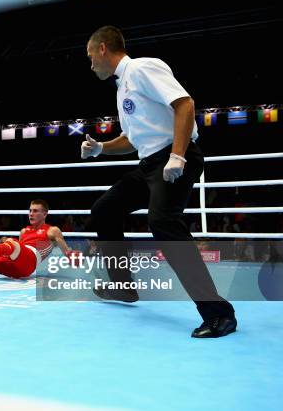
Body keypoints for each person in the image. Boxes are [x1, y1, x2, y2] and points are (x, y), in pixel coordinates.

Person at [83, 26, 236, 337]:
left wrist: (177, 156)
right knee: (104, 210)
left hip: (175, 154)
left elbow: (185, 104)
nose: (91, 66)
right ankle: (123, 287)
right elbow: (130, 140)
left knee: (163, 222)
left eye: (90, 57)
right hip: (150, 163)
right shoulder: (121, 87)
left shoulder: (141, 67)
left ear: (102, 49)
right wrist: (101, 148)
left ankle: (219, 313)